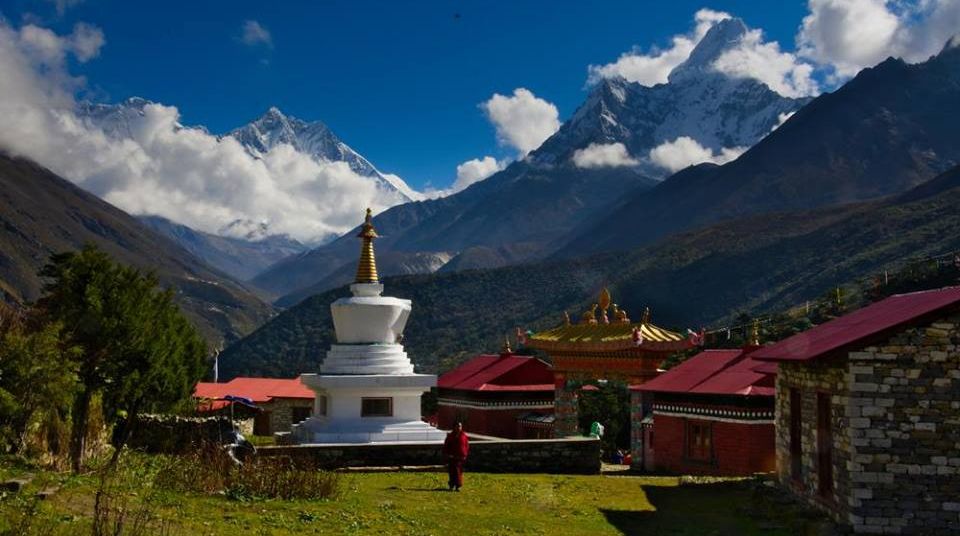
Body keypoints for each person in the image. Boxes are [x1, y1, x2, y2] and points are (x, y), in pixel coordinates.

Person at [443, 422, 470, 491]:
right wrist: (447, 454)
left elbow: (466, 445)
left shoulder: (463, 436)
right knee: (452, 472)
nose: (459, 428)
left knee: (459, 472)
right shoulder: (451, 436)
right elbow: (446, 445)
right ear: (454, 427)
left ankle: (458, 486)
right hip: (452, 457)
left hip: (460, 457)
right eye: (457, 426)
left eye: (460, 426)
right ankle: (451, 485)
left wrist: (465, 454)